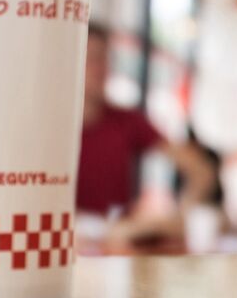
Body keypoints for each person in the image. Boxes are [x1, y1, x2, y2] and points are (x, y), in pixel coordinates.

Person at [76, 23, 216, 252]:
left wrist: (180, 215)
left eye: (104, 59)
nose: (100, 69)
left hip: (118, 242)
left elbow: (201, 170)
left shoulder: (126, 120)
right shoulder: (47, 126)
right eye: (91, 59)